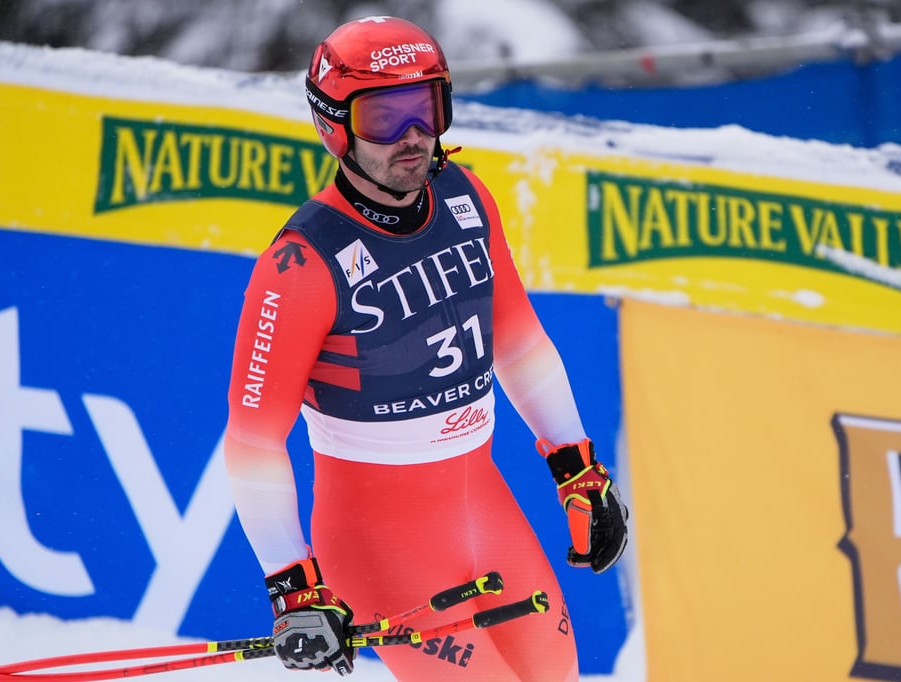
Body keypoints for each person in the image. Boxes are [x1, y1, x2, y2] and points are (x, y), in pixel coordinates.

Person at [222, 15, 629, 681]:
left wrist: (575, 466)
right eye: (385, 117)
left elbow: (519, 339)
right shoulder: (301, 264)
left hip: (484, 509)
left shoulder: (466, 196)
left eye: (427, 108)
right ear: (335, 126)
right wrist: (292, 584)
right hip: (378, 544)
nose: (413, 137)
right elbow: (253, 441)